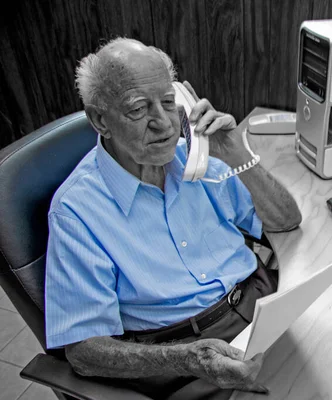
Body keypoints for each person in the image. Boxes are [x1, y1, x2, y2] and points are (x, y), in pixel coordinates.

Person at [44, 38, 302, 399]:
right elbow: (83, 352)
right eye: (138, 109)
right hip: (183, 355)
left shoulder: (201, 160)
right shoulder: (76, 212)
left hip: (262, 305)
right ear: (100, 120)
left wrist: (234, 151)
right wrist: (187, 359)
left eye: (169, 102)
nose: (164, 124)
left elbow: (285, 219)